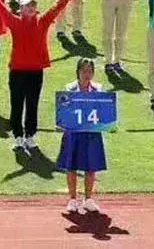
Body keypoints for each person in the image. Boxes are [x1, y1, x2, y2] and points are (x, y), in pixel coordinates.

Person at [0, 0, 80, 151]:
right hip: (17, 72)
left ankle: (30, 135)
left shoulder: (42, 21)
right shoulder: (14, 22)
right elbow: (0, 9)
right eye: (28, 5)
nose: (31, 8)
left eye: (33, 5)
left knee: (32, 105)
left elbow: (55, 8)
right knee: (17, 105)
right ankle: (18, 136)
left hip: (35, 72)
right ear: (21, 9)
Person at [56, 58, 108, 214]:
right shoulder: (70, 89)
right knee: (71, 166)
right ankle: (72, 199)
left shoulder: (98, 89)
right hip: (73, 133)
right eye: (84, 71)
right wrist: (60, 122)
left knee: (91, 166)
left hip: (91, 133)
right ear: (78, 72)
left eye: (90, 71)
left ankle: (88, 199)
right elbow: (64, 110)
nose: (87, 74)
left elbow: (104, 112)